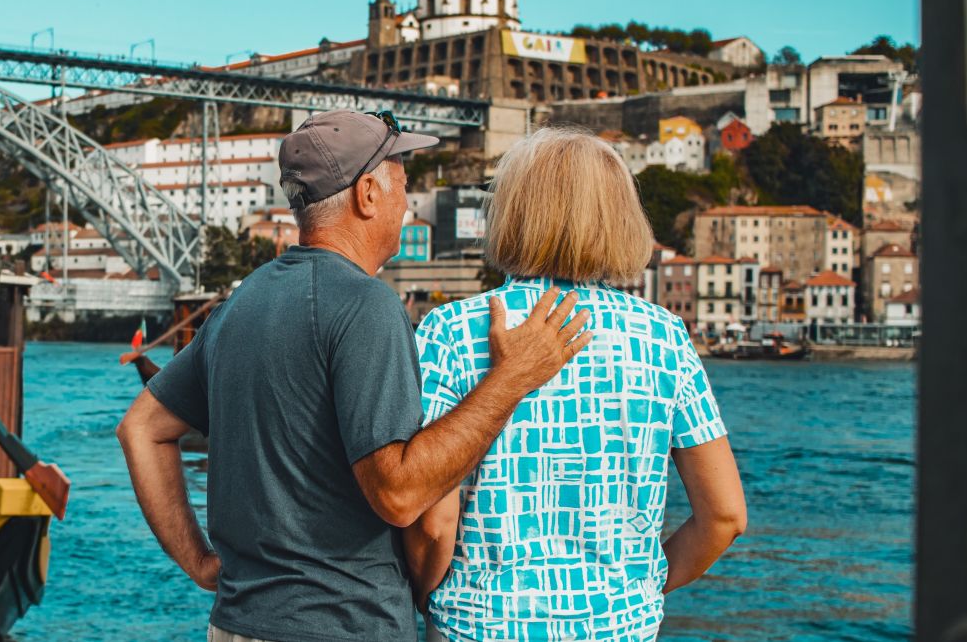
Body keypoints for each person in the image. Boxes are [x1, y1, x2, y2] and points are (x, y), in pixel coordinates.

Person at [118, 110, 592, 642]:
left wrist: (200, 561)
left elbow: (141, 428)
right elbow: (398, 494)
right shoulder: (365, 305)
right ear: (367, 193)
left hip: (235, 624)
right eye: (403, 189)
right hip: (341, 624)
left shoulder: (240, 303)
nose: (408, 208)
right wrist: (511, 378)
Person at [406, 127, 747, 642]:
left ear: (512, 211)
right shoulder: (663, 337)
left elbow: (435, 524)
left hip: (479, 625)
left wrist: (429, 596)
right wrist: (640, 594)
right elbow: (724, 516)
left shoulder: (452, 331)